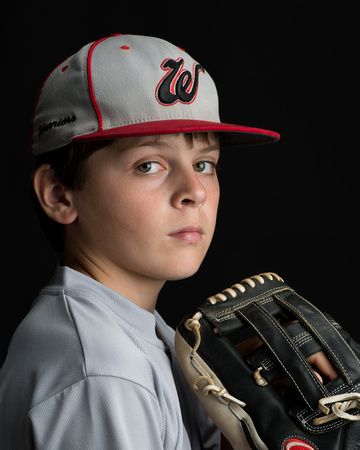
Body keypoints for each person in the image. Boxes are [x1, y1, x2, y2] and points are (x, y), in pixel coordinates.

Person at [0, 33, 336, 450]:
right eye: (149, 164)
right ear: (59, 194)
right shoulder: (102, 373)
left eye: (204, 163)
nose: (192, 190)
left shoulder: (137, 335)